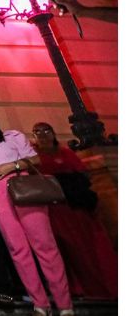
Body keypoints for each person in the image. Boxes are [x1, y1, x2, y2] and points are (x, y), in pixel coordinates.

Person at [0, 104, 77, 316]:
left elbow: (35, 160)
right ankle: (40, 304)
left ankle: (65, 305)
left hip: (23, 188)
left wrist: (12, 165)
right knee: (18, 250)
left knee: (45, 246)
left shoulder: (11, 137)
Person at [32, 122, 117, 300]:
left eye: (46, 130)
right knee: (62, 250)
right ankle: (72, 288)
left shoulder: (65, 153)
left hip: (73, 207)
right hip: (53, 209)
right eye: (37, 132)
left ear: (53, 133)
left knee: (85, 248)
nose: (42, 135)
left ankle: (96, 287)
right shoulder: (33, 154)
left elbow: (83, 175)